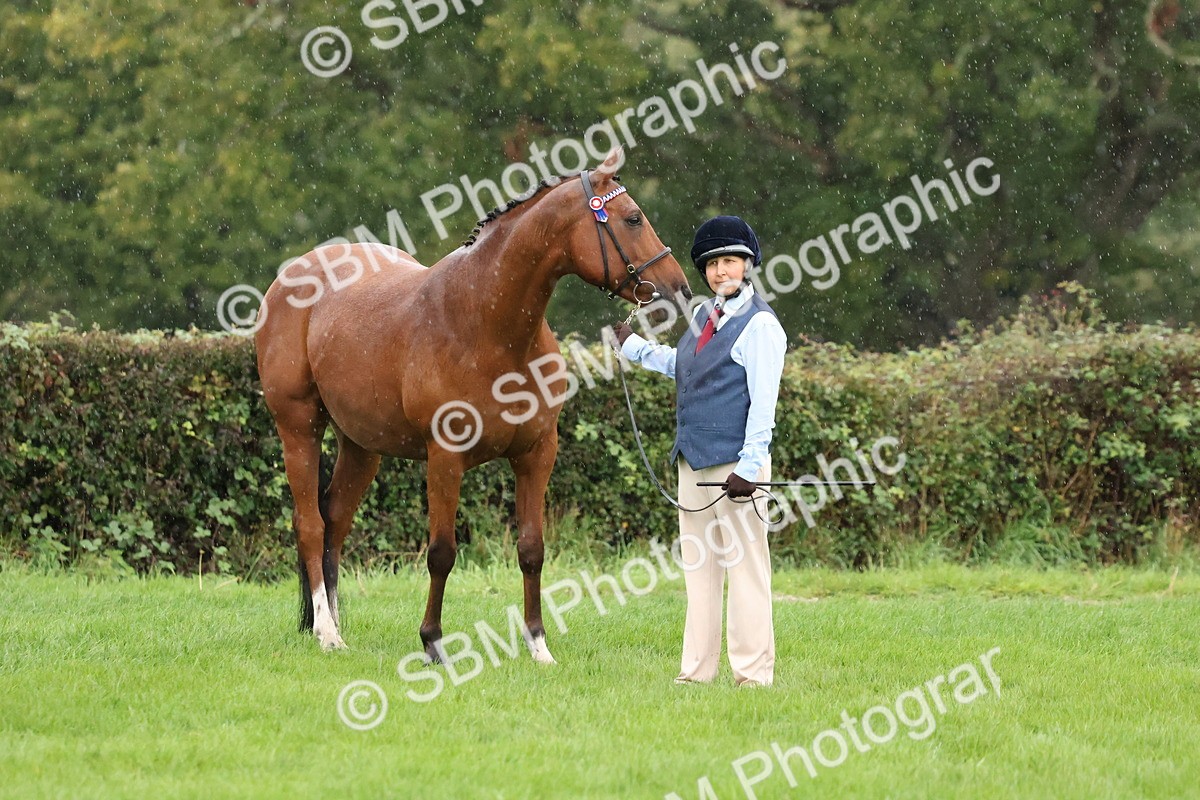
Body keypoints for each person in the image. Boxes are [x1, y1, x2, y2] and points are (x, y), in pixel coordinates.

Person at [615, 215, 786, 687]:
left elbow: (764, 406)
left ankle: (752, 675)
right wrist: (634, 348)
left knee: (747, 572)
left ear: (748, 265)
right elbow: (684, 366)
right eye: (712, 263)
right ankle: (695, 674)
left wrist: (750, 467)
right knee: (700, 574)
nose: (720, 271)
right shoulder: (703, 319)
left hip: (737, 469)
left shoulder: (761, 327)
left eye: (730, 261)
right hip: (691, 462)